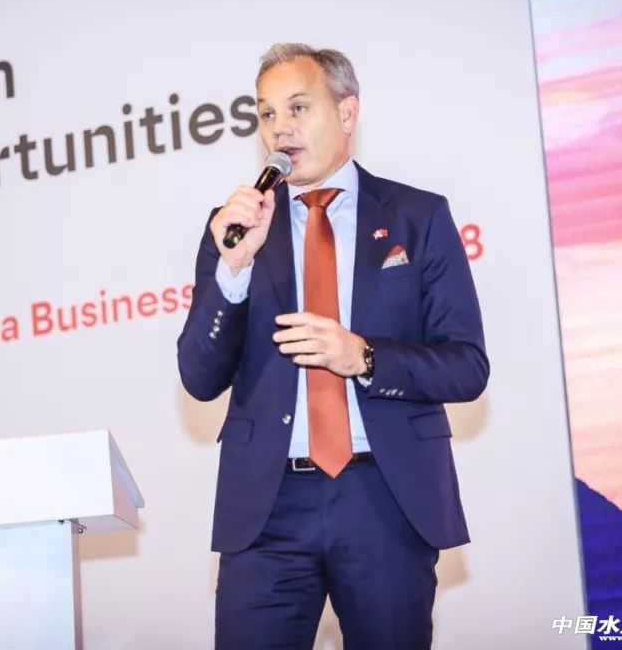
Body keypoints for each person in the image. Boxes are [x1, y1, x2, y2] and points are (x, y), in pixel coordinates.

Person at [177, 43, 489, 649]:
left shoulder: (417, 216)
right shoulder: (236, 229)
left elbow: (467, 366)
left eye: (298, 107)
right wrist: (232, 269)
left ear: (347, 112)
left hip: (385, 499)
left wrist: (365, 358)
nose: (280, 127)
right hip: (266, 510)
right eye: (267, 113)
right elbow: (199, 376)